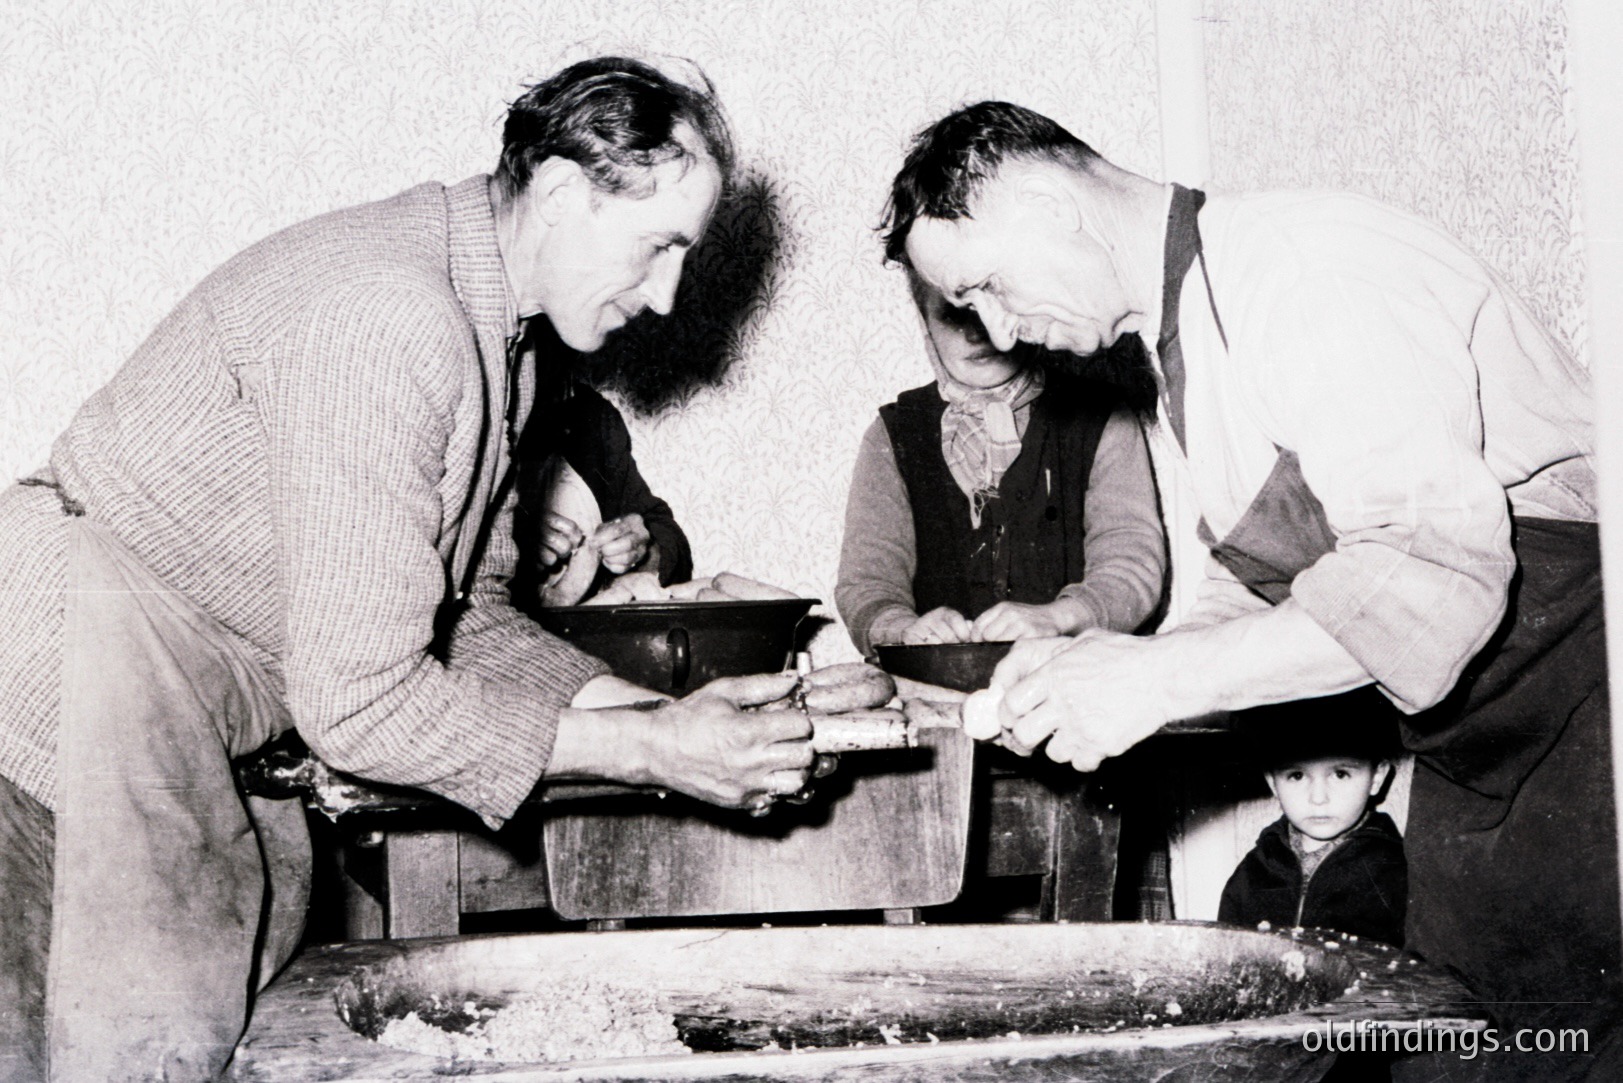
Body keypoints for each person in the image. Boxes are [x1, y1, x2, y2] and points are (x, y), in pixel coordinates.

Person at [0, 58, 819, 1082]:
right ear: (561, 192)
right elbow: (361, 704)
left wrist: (675, 719)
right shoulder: (393, 315)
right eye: (659, 246)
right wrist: (654, 753)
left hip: (171, 710)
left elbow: (464, 621)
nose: (666, 296)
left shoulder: (506, 347)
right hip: (54, 709)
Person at [884, 101, 1617, 1079]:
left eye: (984, 285)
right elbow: (1265, 588)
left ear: (1047, 203)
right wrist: (1105, 672)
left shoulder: (1302, 270)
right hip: (1485, 754)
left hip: (1592, 707)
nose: (998, 329)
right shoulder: (1192, 331)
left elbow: (1427, 575)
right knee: (1453, 1056)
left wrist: (1157, 681)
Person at [835, 269, 1165, 655]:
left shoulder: (1103, 416)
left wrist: (1060, 618)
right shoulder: (894, 433)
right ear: (925, 323)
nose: (977, 334)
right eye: (953, 314)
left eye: (992, 306)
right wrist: (902, 629)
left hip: (1075, 673)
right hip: (935, 685)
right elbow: (866, 584)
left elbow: (1131, 562)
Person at [509, 318, 694, 611]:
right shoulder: (475, 411)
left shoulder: (591, 417)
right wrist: (513, 545)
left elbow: (669, 540)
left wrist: (640, 549)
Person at [1218, 692, 1406, 947]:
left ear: (1376, 778)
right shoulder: (1257, 866)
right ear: (1273, 783)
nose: (1318, 798)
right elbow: (1228, 948)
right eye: (1297, 776)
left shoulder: (1394, 869)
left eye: (1341, 774)